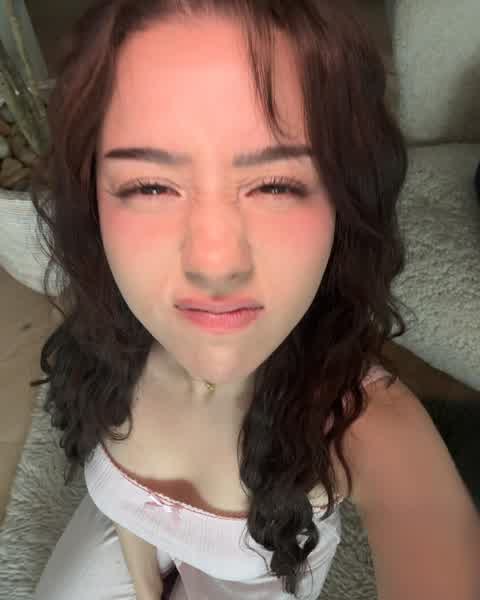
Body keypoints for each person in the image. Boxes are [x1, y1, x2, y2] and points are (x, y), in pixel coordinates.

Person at [30, 1, 480, 599]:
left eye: (275, 185)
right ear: (93, 202)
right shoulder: (106, 330)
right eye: (151, 186)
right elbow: (127, 511)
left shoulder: (367, 424)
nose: (215, 264)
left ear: (345, 198)